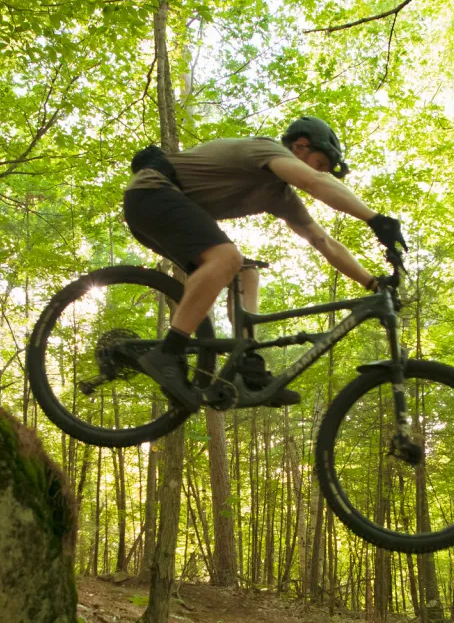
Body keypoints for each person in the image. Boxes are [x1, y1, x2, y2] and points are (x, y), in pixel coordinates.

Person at [123, 116, 405, 410]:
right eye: (320, 162)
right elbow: (314, 182)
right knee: (226, 257)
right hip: (151, 193)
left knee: (246, 273)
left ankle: (246, 367)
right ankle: (168, 354)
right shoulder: (265, 150)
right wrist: (375, 219)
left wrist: (373, 283)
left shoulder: (279, 194)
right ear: (300, 146)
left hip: (163, 208)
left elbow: (324, 242)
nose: (321, 172)